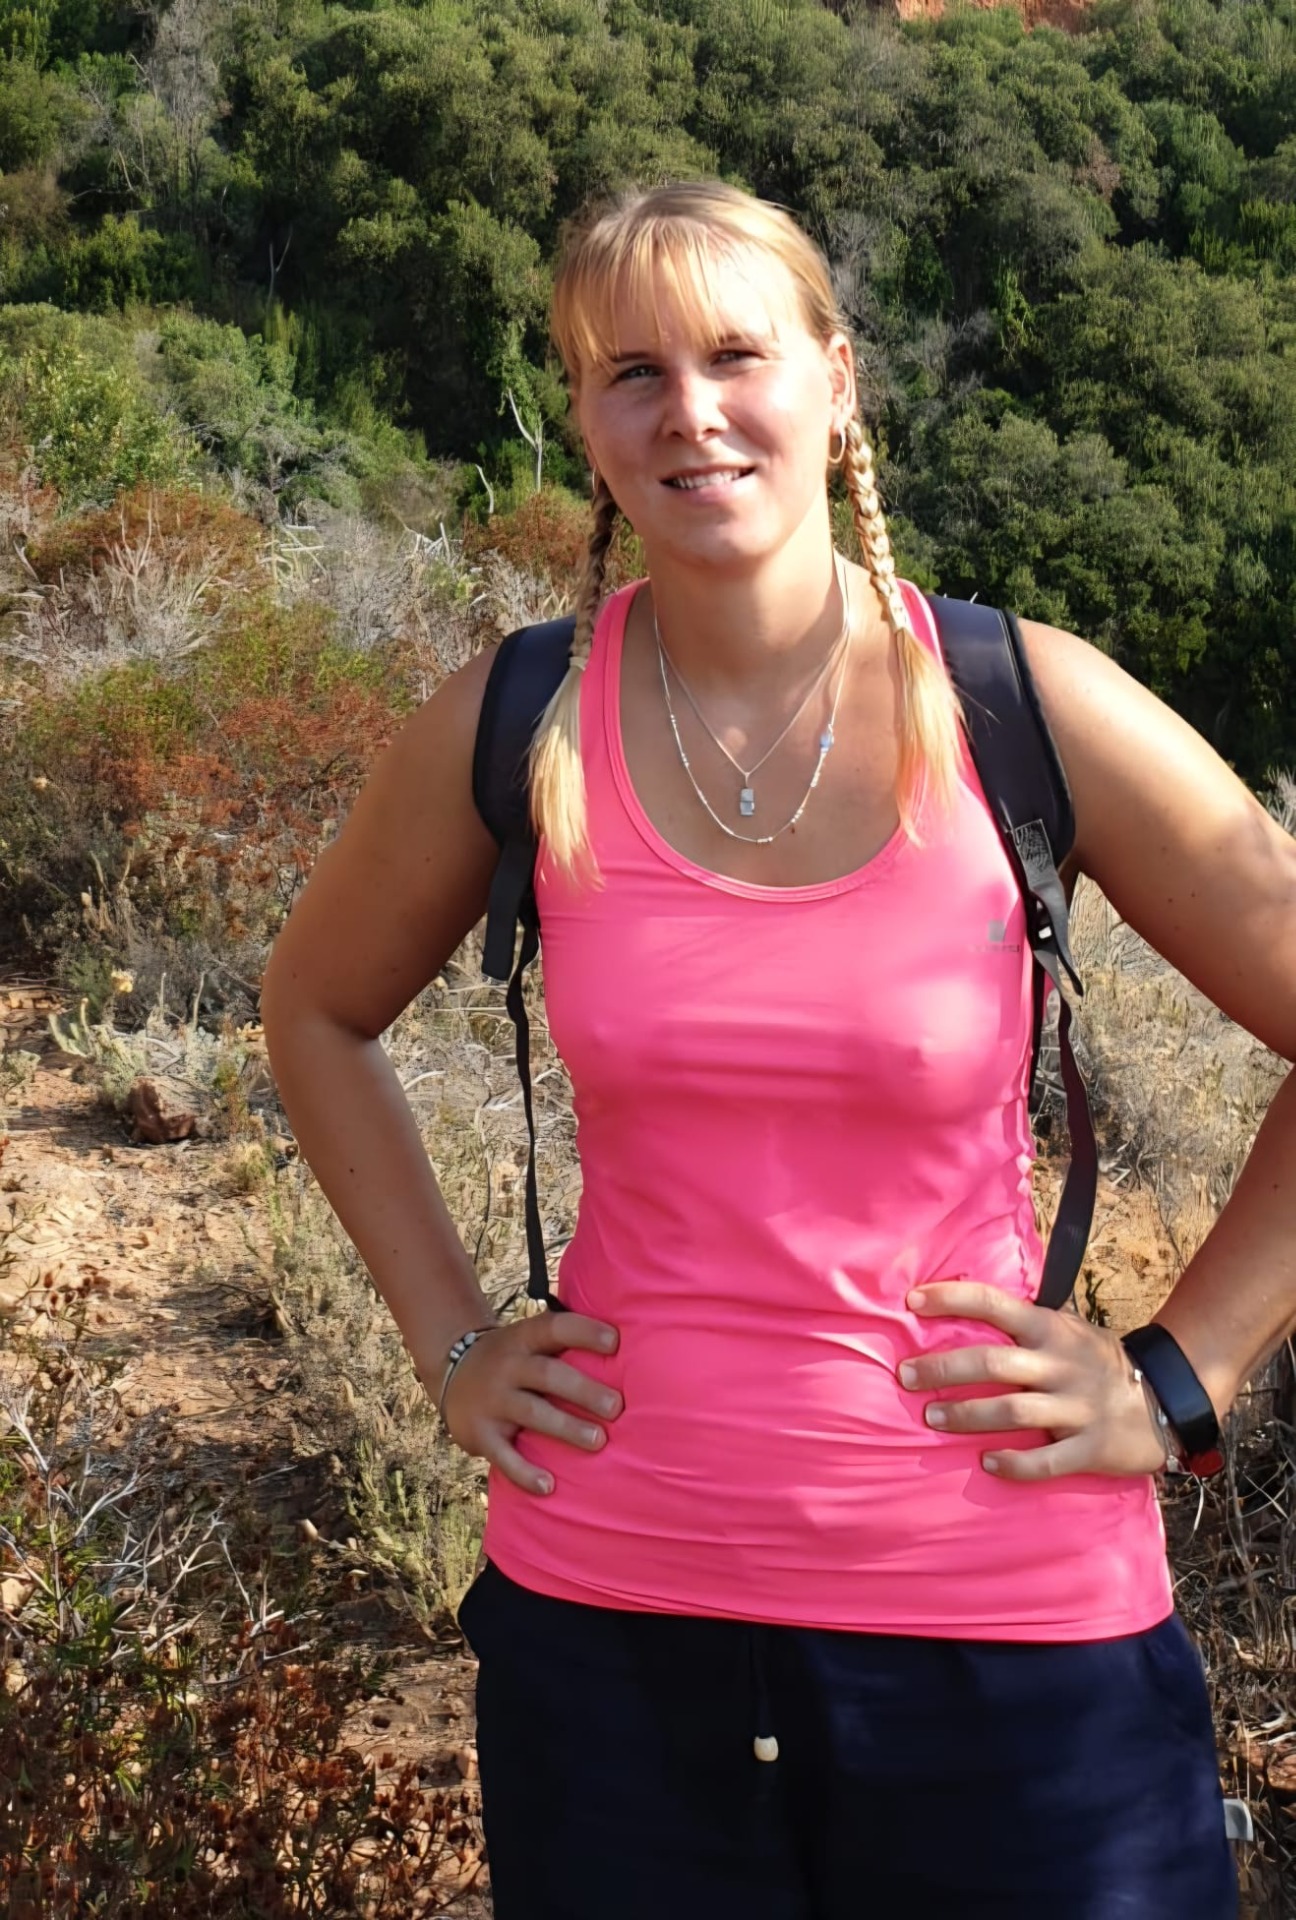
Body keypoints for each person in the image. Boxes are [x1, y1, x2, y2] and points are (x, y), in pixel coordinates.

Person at [260, 182, 1296, 1919]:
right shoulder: (519, 720)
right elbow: (315, 1009)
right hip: (613, 1628)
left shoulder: (1020, 704)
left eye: (736, 355)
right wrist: (454, 1350)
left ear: (835, 377)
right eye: (630, 373)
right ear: (584, 419)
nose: (691, 412)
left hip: (1006, 1618)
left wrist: (1181, 1377)